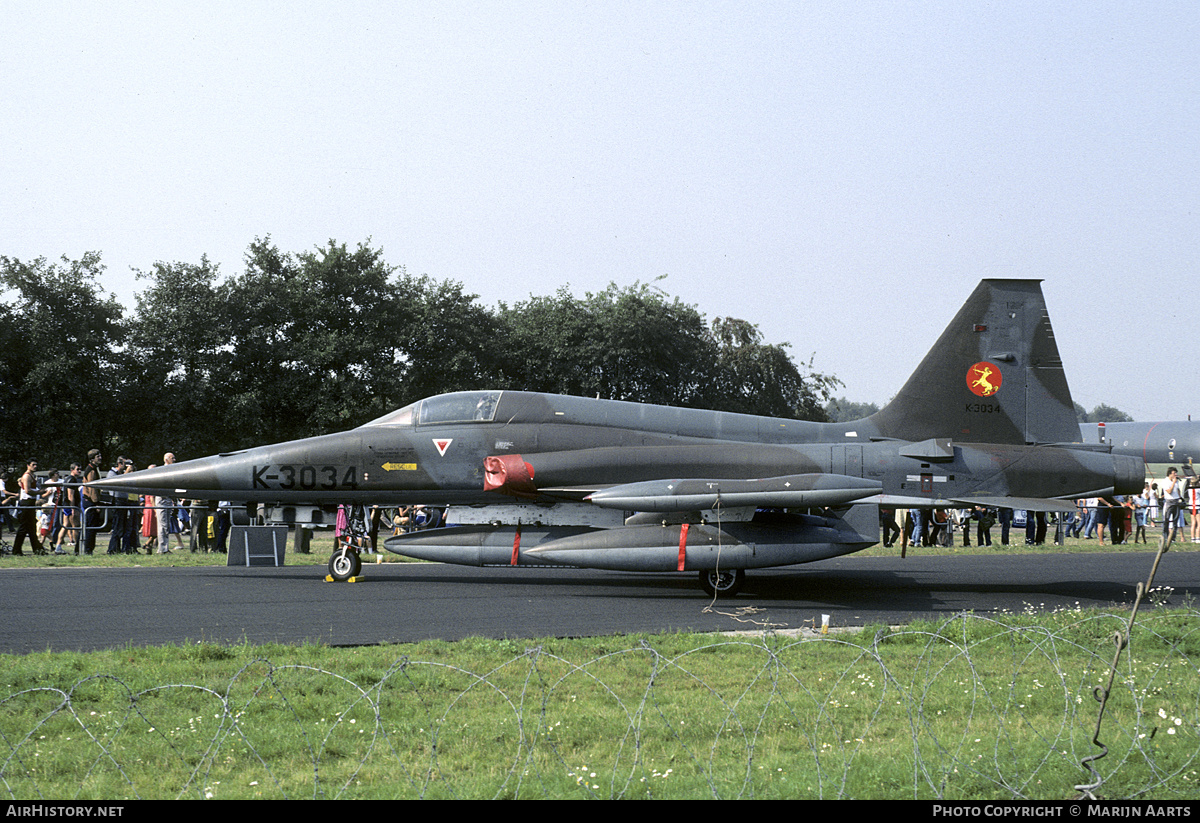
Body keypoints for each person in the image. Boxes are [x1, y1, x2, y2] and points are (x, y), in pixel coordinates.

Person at [13, 459, 44, 556]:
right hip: (26, 503)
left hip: (30, 502)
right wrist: (40, 492)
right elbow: (27, 490)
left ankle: (38, 549)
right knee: (23, 528)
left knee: (31, 528)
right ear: (28, 465)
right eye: (33, 465)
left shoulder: (32, 476)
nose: (35, 466)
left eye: (36, 465)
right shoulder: (26, 476)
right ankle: (16, 550)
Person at [155, 453, 185, 554]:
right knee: (162, 525)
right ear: (166, 460)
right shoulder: (162, 470)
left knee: (166, 525)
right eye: (172, 458)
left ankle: (165, 547)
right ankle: (162, 549)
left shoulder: (172, 470)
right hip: (162, 500)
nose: (175, 460)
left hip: (168, 500)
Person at [81, 449, 103, 554]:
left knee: (91, 526)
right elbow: (92, 488)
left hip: (90, 500)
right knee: (91, 527)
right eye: (97, 456)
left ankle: (88, 548)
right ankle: (88, 549)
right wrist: (96, 503)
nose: (100, 458)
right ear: (92, 459)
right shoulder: (92, 470)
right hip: (90, 501)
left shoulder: (94, 468)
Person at [1161, 467, 1188, 547]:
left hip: (1176, 501)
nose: (1175, 474)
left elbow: (1177, 490)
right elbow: (1169, 491)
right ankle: (1165, 537)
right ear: (1170, 473)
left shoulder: (1176, 481)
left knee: (1175, 521)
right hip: (1169, 501)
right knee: (1167, 520)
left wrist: (1180, 497)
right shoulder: (1166, 481)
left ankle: (1173, 538)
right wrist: (1173, 483)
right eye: (1174, 473)